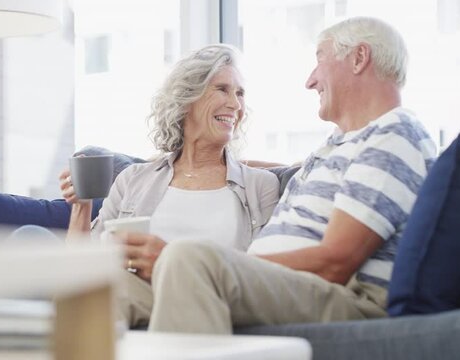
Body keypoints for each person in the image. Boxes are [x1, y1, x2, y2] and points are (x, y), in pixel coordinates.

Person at [121, 17, 437, 333]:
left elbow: (336, 262)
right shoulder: (339, 145)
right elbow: (272, 169)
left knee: (186, 258)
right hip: (282, 287)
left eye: (319, 61)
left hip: (345, 297)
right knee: (113, 286)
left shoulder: (393, 135)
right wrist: (174, 161)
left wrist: (231, 265)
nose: (310, 81)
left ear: (359, 58)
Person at [59, 45, 279, 299]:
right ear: (187, 98)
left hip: (207, 299)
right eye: (222, 89)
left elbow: (266, 274)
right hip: (133, 296)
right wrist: (81, 206)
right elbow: (81, 269)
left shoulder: (260, 186)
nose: (235, 104)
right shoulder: (133, 179)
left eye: (240, 93)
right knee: (31, 238)